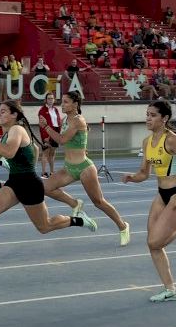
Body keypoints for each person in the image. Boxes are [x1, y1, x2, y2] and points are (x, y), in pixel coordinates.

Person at [0, 100, 97, 267]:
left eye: (3, 111)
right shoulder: (2, 137)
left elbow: (10, 152)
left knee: (45, 226)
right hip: (14, 183)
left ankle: (79, 220)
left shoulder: (17, 130)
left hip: (29, 184)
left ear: (14, 115)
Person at [123, 101, 176, 302]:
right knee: (153, 245)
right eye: (147, 114)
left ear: (165, 118)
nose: (148, 118)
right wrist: (133, 178)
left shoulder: (172, 140)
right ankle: (170, 290)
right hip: (162, 195)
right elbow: (144, 173)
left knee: (155, 241)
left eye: (152, 115)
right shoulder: (147, 142)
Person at [41, 92, 132, 246]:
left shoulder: (78, 120)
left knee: (99, 202)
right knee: (45, 188)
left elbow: (62, 139)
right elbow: (62, 141)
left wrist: (46, 127)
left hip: (84, 168)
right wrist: (48, 141)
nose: (62, 104)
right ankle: (75, 204)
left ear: (75, 104)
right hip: (69, 168)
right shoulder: (65, 120)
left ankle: (123, 226)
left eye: (66, 102)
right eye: (62, 101)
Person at [37, 92, 61, 178]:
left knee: (52, 153)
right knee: (46, 153)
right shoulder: (42, 110)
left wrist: (59, 133)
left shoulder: (56, 110)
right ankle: (44, 173)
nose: (50, 100)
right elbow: (42, 125)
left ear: (54, 100)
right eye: (49, 98)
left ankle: (52, 172)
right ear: (46, 100)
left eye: (52, 98)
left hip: (55, 132)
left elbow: (58, 121)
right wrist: (45, 137)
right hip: (47, 133)